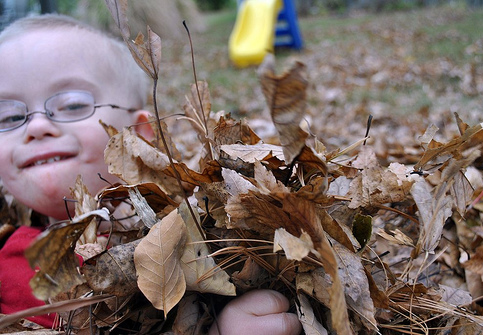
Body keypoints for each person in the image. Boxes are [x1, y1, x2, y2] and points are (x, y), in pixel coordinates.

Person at [0, 14, 301, 334]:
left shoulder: (194, 237)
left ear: (139, 136)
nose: (35, 127)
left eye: (73, 105)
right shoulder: (7, 263)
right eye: (9, 116)